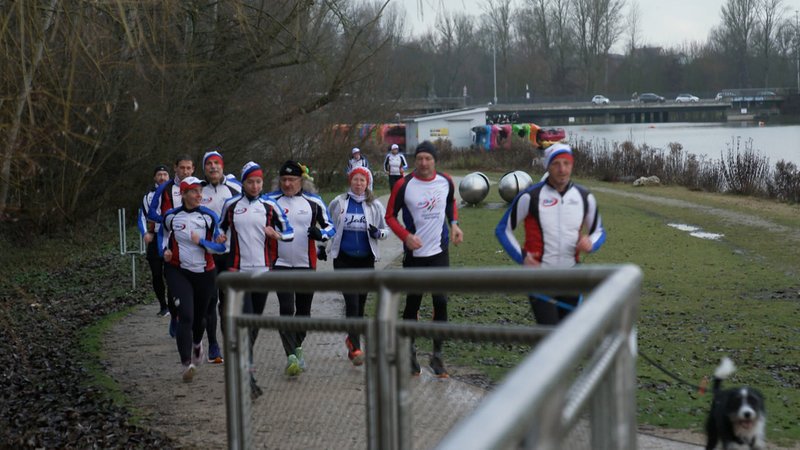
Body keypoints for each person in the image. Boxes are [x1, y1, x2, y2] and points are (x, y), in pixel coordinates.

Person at [495, 143, 606, 325]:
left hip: (571, 277)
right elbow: (503, 229)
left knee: (569, 332)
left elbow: (599, 231)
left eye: (566, 163)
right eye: (556, 164)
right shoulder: (530, 196)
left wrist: (591, 243)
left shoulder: (584, 196)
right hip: (540, 277)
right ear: (547, 166)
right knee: (550, 333)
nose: (562, 169)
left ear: (572, 165)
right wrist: (522, 257)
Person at [385, 141, 464, 378]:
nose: (423, 162)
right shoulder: (404, 184)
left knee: (441, 301)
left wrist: (454, 224)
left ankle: (437, 356)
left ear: (435, 160)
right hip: (415, 255)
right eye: (419, 158)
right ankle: (409, 352)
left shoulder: (445, 181)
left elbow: (450, 202)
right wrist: (406, 236)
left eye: (428, 158)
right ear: (415, 160)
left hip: (439, 252)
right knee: (413, 303)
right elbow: (389, 216)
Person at [219, 161, 293, 396]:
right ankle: (247, 376)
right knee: (247, 320)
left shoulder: (269, 205)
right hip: (238, 272)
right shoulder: (231, 205)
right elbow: (219, 228)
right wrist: (220, 237)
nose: (254, 186)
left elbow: (290, 232)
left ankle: (242, 364)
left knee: (254, 323)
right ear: (243, 183)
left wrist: (277, 235)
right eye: (250, 182)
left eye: (258, 181)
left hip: (263, 271)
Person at [266, 161, 335, 377]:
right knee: (286, 308)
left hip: (306, 264)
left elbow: (331, 226)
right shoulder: (270, 201)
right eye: (284, 180)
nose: (287, 184)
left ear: (301, 181)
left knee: (303, 311)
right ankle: (291, 356)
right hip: (280, 264)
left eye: (292, 180)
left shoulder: (313, 201)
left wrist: (321, 234)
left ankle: (297, 346)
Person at [159, 176, 226, 382]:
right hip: (178, 271)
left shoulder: (209, 216)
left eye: (200, 191)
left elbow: (220, 248)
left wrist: (203, 242)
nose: (199, 195)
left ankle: (197, 343)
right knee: (185, 315)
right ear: (184, 194)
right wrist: (164, 251)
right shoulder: (171, 216)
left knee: (200, 318)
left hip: (205, 273)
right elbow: (163, 236)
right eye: (194, 191)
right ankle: (186, 363)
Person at [326, 167, 389, 366]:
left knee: (360, 303)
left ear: (367, 183)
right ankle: (355, 346)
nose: (359, 184)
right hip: (343, 259)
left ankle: (351, 338)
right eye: (355, 180)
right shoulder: (339, 202)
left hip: (366, 260)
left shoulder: (375, 205)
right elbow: (329, 225)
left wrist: (378, 233)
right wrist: (322, 246)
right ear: (350, 181)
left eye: (362, 180)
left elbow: (386, 229)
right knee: (352, 302)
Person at [199, 149, 242, 365]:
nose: (213, 167)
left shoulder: (236, 188)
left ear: (222, 166)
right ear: (204, 168)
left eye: (217, 163)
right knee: (210, 300)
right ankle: (213, 345)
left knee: (228, 303)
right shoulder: (198, 190)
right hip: (207, 254)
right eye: (209, 164)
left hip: (231, 253)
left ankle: (230, 344)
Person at [147, 154, 196, 337]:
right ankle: (174, 315)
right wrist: (169, 219)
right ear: (175, 168)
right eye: (182, 168)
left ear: (193, 169)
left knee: (194, 283)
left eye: (189, 168)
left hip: (193, 243)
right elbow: (151, 213)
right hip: (170, 242)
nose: (185, 171)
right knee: (174, 285)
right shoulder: (165, 188)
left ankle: (191, 319)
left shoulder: (199, 186)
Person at [137, 164, 172, 317]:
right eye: (159, 174)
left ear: (169, 176)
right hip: (155, 236)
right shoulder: (148, 196)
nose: (162, 177)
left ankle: (174, 303)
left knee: (171, 273)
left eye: (165, 174)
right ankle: (163, 306)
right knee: (156, 274)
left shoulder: (175, 192)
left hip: (171, 236)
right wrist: (145, 233)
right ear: (154, 177)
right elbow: (142, 216)